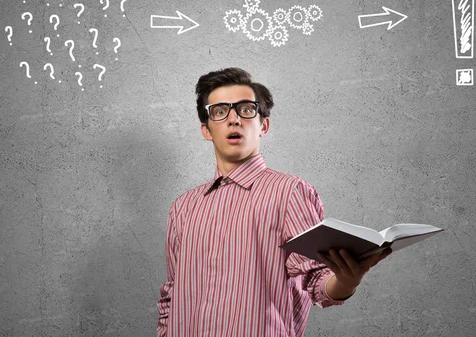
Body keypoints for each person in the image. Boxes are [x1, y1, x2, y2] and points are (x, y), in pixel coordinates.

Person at [156, 67, 391, 336]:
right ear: (206, 130)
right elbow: (171, 296)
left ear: (263, 125)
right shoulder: (184, 206)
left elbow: (314, 280)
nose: (234, 120)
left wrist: (347, 281)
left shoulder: (291, 192)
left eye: (245, 110)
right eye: (220, 111)